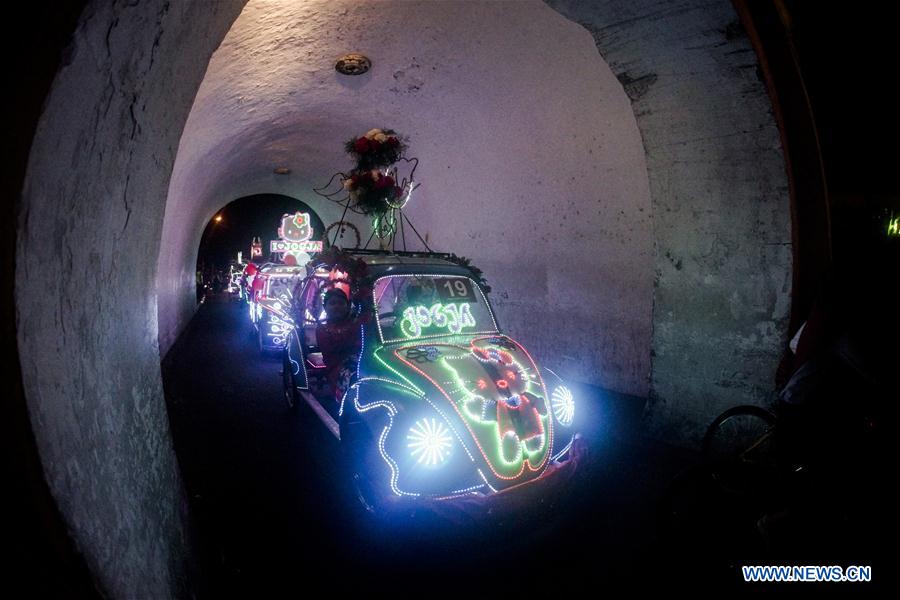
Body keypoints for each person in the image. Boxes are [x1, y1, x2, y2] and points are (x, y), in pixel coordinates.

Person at [316, 287, 370, 403]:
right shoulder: (323, 329)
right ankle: (348, 405)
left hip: (362, 358)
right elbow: (331, 351)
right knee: (354, 375)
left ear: (347, 306)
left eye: (341, 303)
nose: (337, 306)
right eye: (332, 303)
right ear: (325, 307)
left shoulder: (356, 322)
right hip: (337, 364)